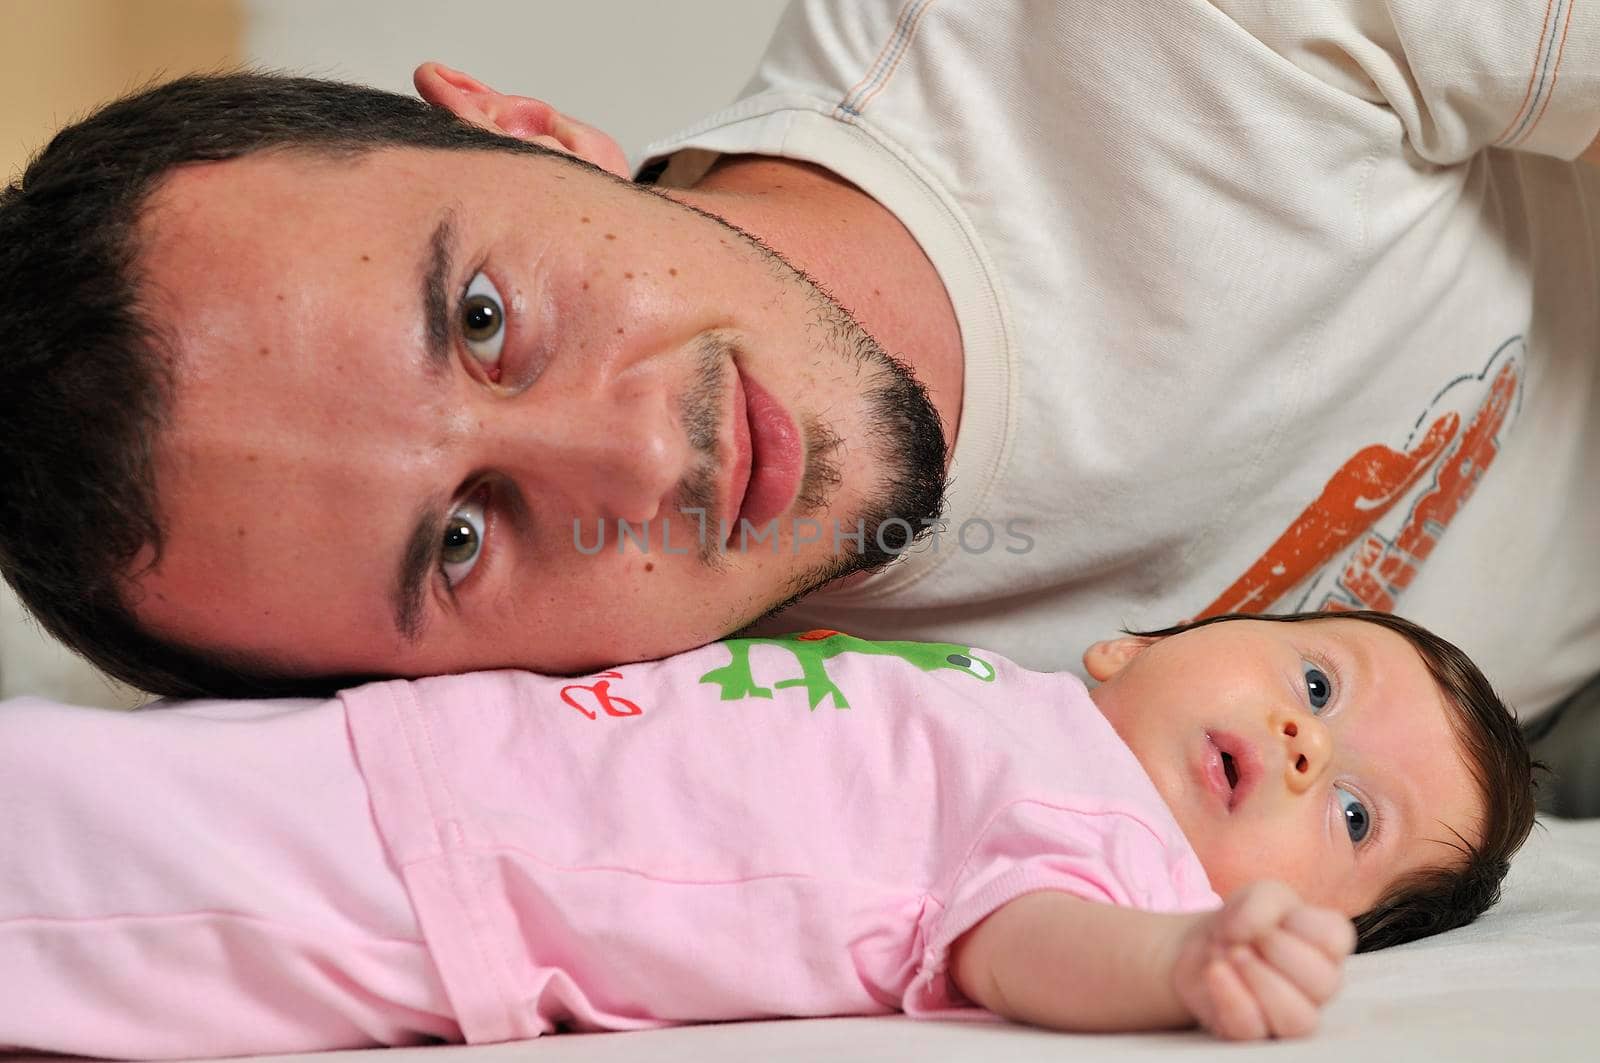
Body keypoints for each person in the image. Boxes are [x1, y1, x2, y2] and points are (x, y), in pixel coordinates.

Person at [0, 2, 1595, 747]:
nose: (632, 462)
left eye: (483, 317)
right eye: (463, 541)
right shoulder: (723, 775)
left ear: (531, 131)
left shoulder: (1144, 30)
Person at [0, 610, 1537, 1057]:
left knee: (67, 893)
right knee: (59, 773)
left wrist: (1187, 955)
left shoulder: (1113, 847)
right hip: (420, 743)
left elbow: (1018, 947)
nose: (1298, 740)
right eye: (1317, 680)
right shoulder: (1012, 684)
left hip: (449, 885)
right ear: (1139, 643)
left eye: (1350, 813)